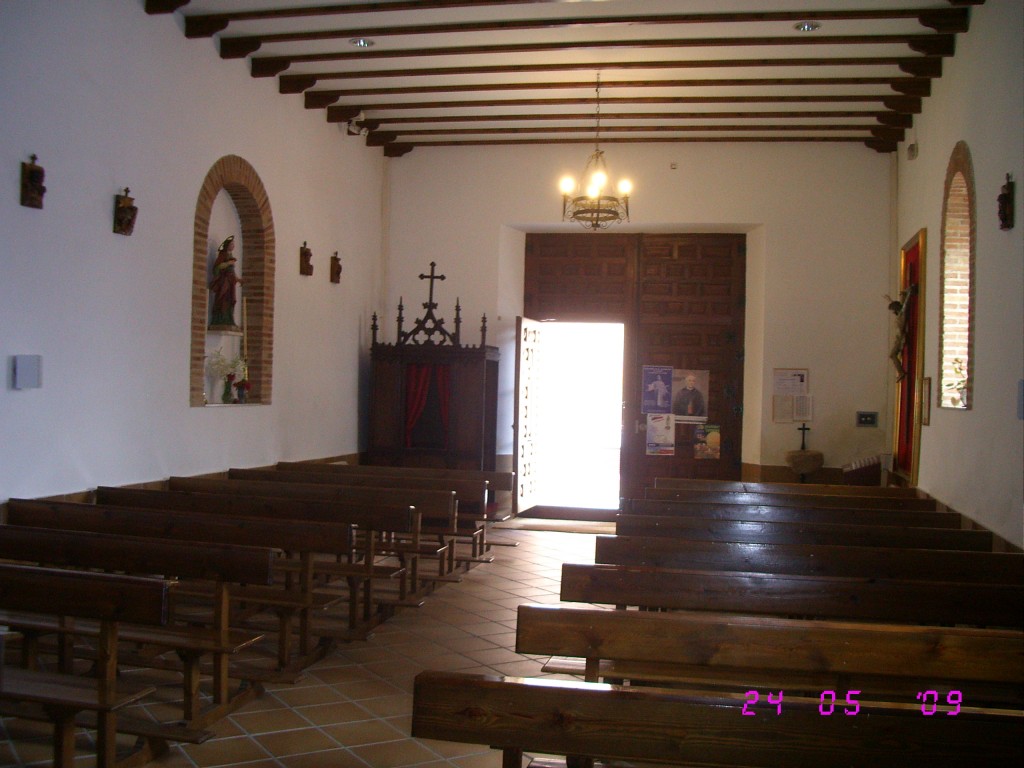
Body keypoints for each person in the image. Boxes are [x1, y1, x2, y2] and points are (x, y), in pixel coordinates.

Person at [209, 236, 242, 328]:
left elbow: (232, 271)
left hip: (231, 282)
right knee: (222, 298)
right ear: (227, 245)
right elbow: (216, 268)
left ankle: (228, 319)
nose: (233, 246)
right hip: (224, 281)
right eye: (231, 244)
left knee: (230, 299)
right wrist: (227, 263)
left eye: (234, 244)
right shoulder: (222, 255)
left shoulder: (231, 256)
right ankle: (220, 319)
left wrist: (238, 279)